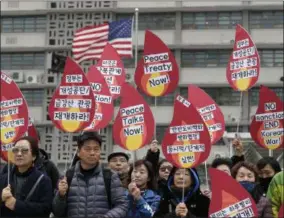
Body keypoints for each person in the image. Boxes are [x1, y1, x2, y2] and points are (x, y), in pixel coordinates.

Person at [52, 131, 128, 218]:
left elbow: (122, 205)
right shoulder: (67, 176)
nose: (92, 153)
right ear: (78, 152)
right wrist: (61, 195)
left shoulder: (110, 176)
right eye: (87, 149)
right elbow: (57, 212)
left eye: (96, 149)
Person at [0, 136, 53, 217]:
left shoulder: (43, 180)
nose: (19, 154)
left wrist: (17, 205)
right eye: (15, 150)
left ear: (34, 156)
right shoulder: (4, 178)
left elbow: (45, 209)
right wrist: (1, 198)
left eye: (24, 150)